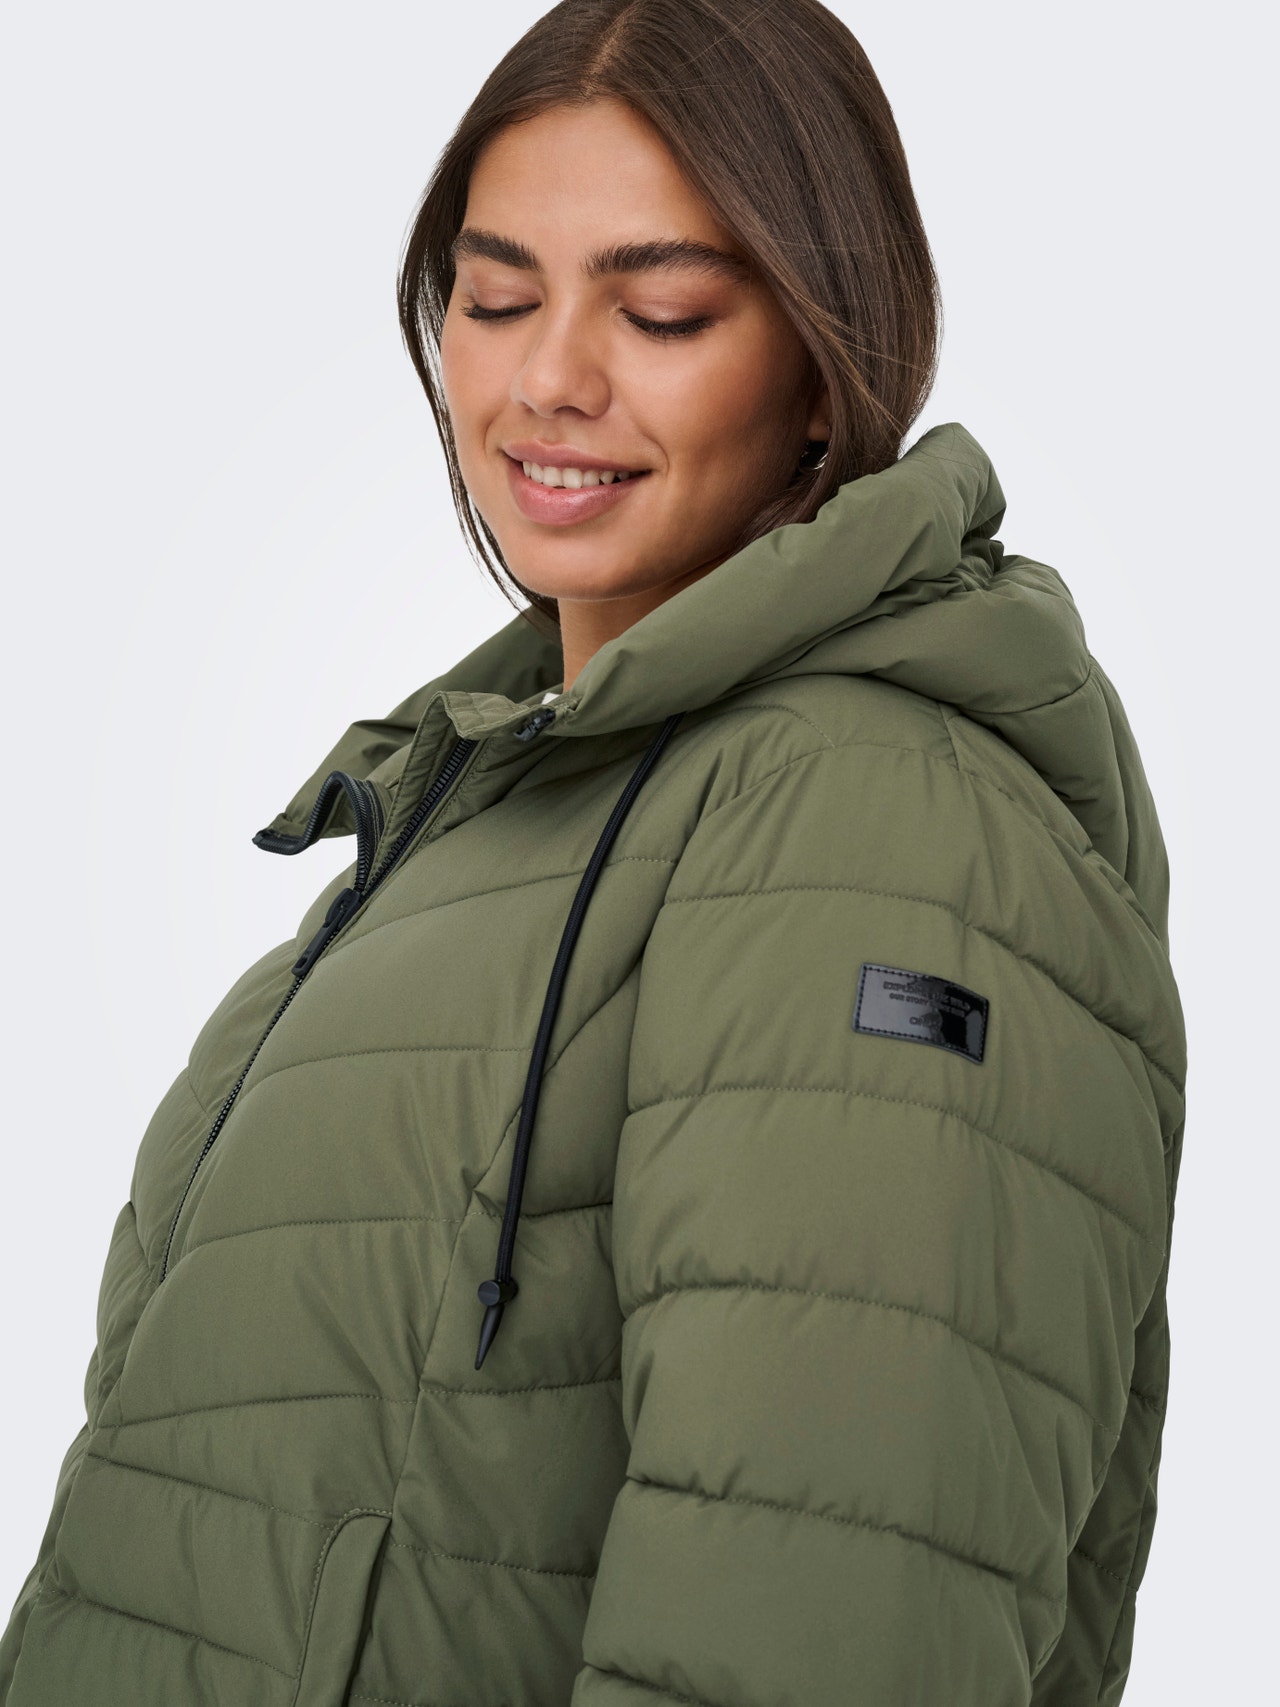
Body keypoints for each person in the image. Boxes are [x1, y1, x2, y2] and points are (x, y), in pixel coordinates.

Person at [0, 1, 1186, 1703]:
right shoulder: (485, 809)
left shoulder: (869, 826)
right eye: (495, 300)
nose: (548, 377)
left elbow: (826, 1619)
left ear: (824, 359)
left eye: (662, 311)